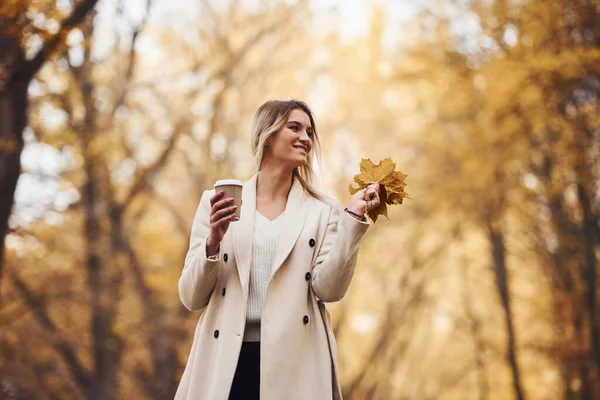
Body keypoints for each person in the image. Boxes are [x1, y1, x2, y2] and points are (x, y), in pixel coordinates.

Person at [174, 99, 381, 400]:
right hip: (225, 362)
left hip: (295, 363)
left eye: (310, 132)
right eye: (294, 128)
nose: (306, 138)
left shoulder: (323, 211)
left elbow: (330, 290)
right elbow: (191, 298)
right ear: (268, 135)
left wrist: (352, 220)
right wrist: (213, 242)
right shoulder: (217, 202)